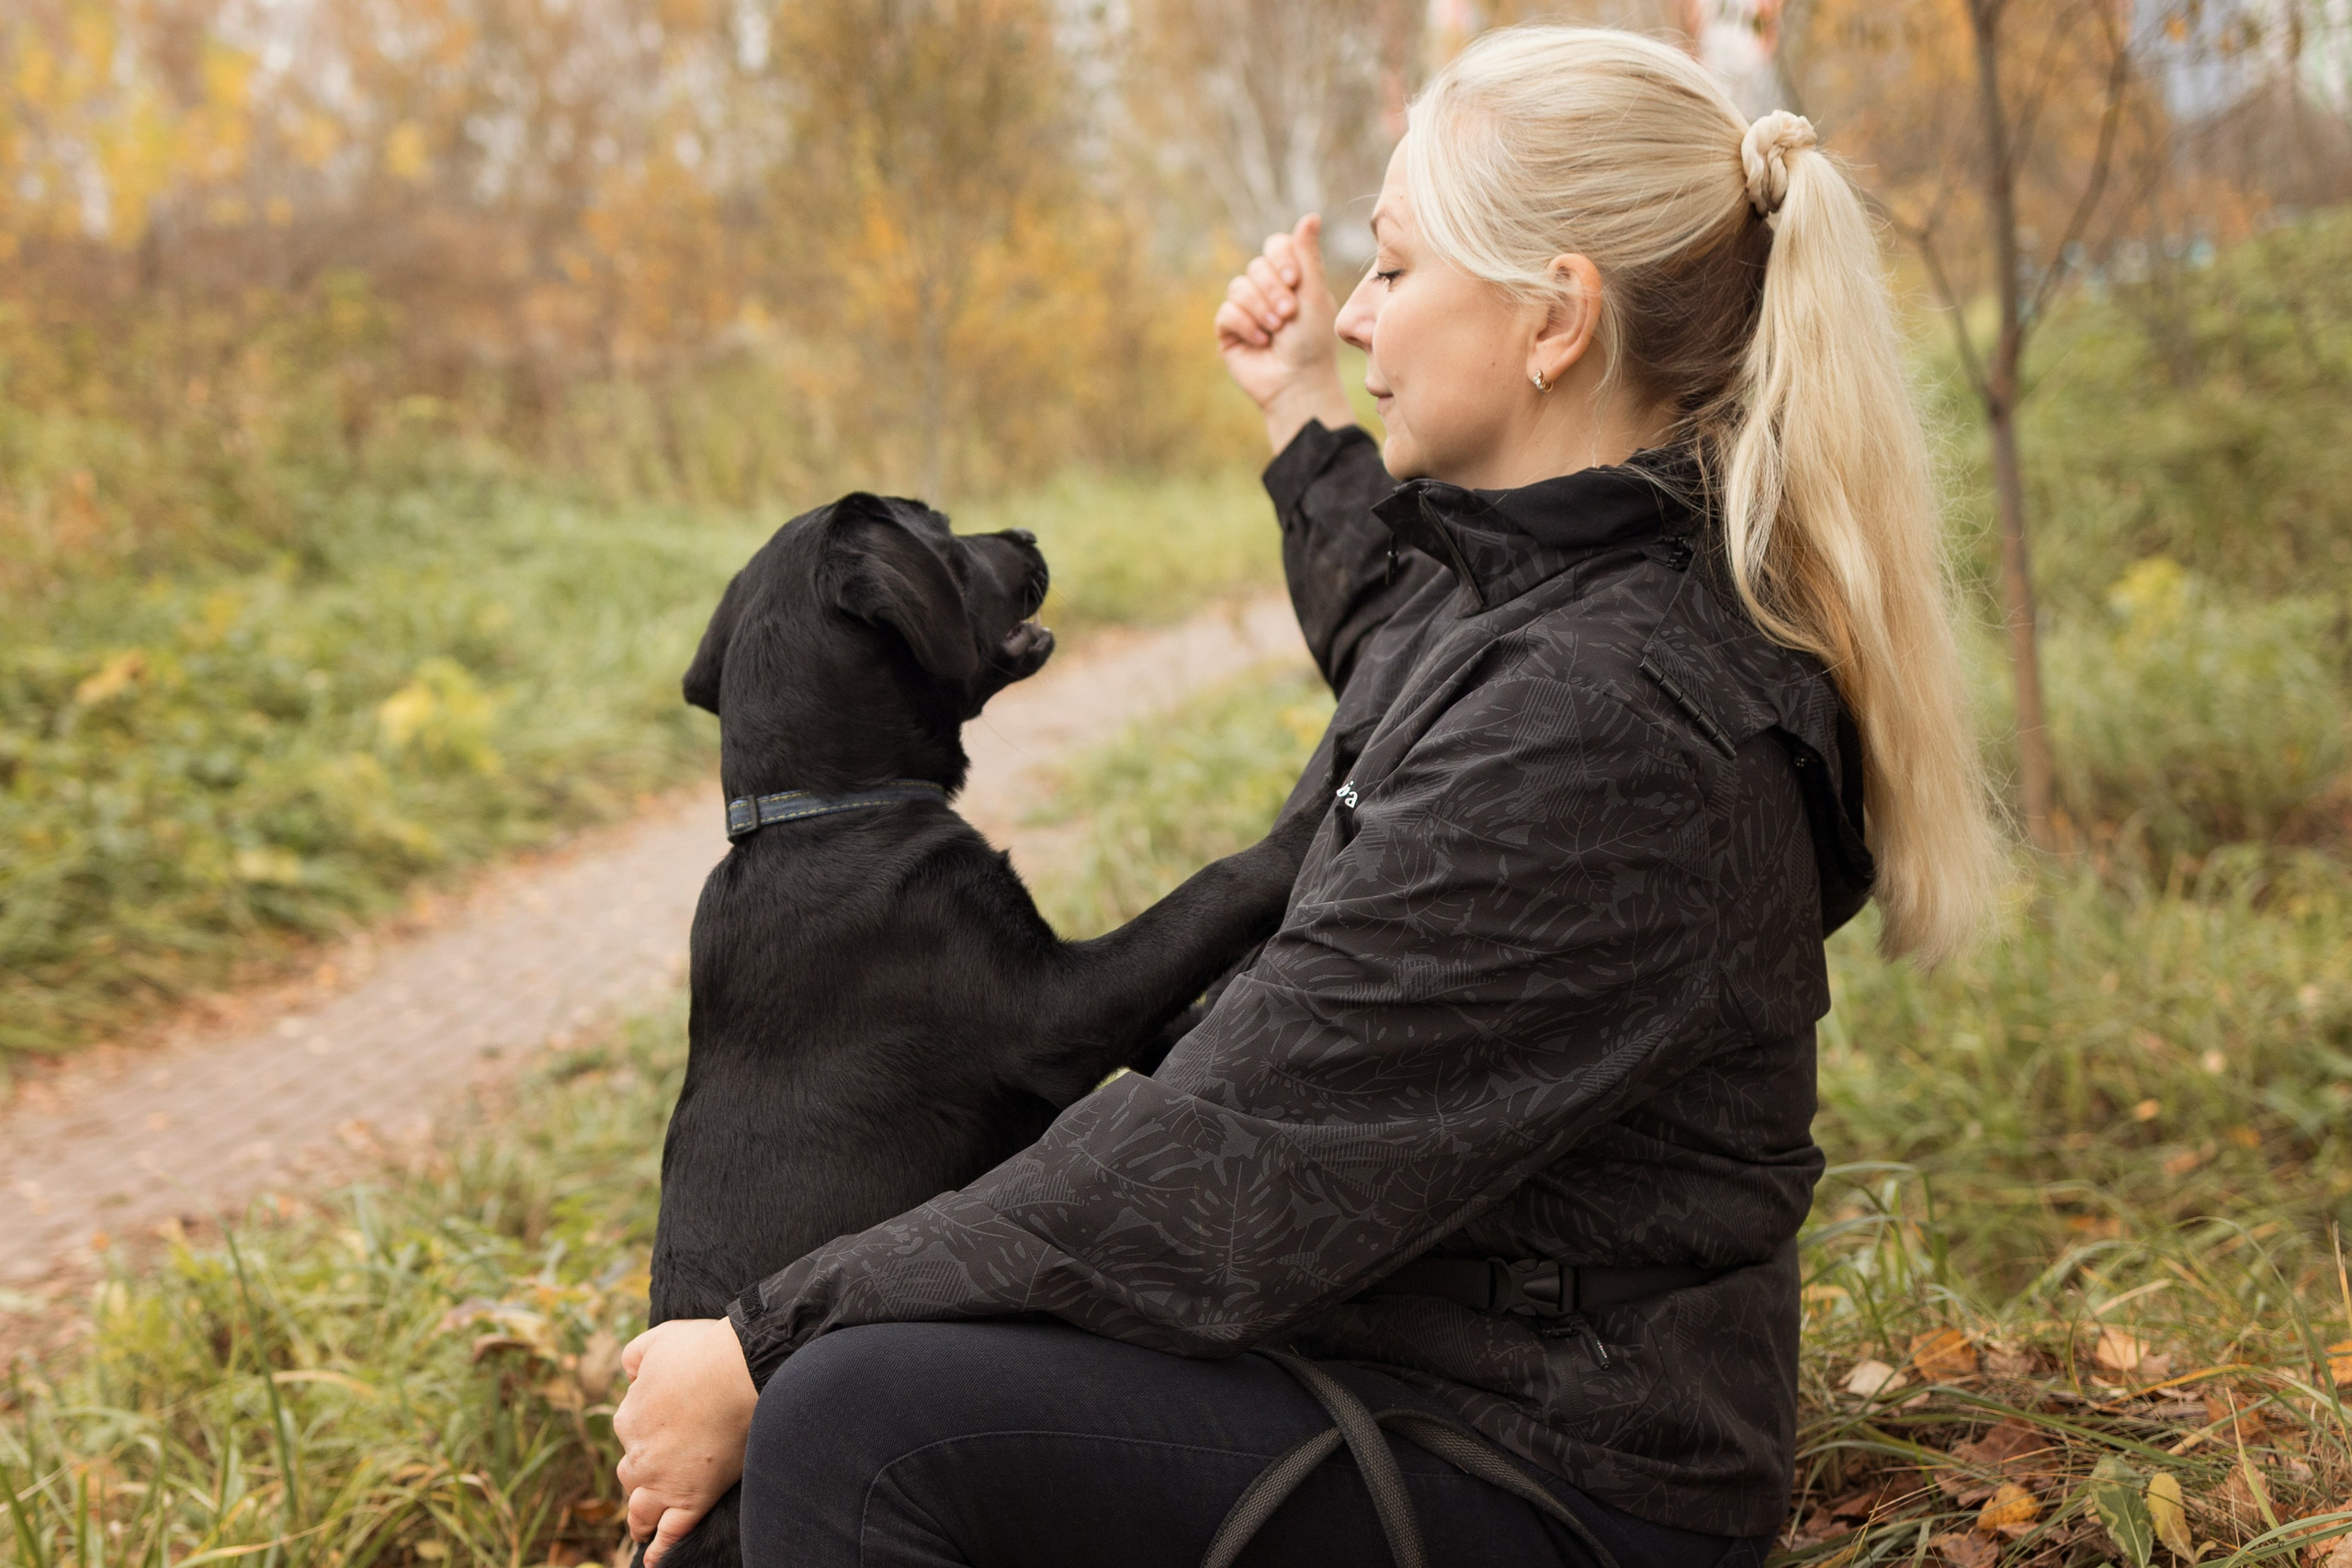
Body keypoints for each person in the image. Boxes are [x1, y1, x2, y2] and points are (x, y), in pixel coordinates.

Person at [610, 24, 1996, 1568]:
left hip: (1551, 1462)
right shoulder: (1568, 596)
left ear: (1554, 321)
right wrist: (1289, 413)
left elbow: (1221, 1168)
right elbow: (1397, 625)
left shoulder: (1610, 726)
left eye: (1393, 273)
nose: (1350, 316)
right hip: (1435, 1355)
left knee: (858, 1427)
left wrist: (762, 1339)